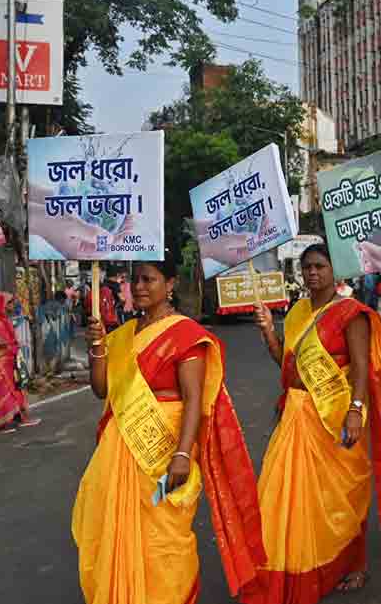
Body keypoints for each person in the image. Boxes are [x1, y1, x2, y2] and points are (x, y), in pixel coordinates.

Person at [72, 257, 264, 604]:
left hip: (165, 447)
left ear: (170, 284)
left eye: (149, 279)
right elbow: (102, 389)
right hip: (121, 447)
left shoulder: (185, 334)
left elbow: (194, 399)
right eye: (136, 280)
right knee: (117, 533)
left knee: (165, 539)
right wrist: (97, 347)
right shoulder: (123, 335)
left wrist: (182, 454)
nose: (140, 287)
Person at [246, 243, 381, 601]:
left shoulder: (350, 313)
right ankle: (292, 567)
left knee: (339, 499)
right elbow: (286, 365)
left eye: (320, 267)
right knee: (280, 494)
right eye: (307, 267)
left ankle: (353, 564)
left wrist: (355, 410)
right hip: (296, 413)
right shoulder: (296, 314)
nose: (312, 273)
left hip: (334, 414)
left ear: (334, 271)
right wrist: (267, 333)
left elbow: (360, 367)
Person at [0, 291, 36, 431]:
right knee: (4, 392)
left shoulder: (5, 320)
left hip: (11, 362)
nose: (12, 306)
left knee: (18, 389)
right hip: (1, 365)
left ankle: (20, 417)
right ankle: (3, 423)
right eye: (9, 303)